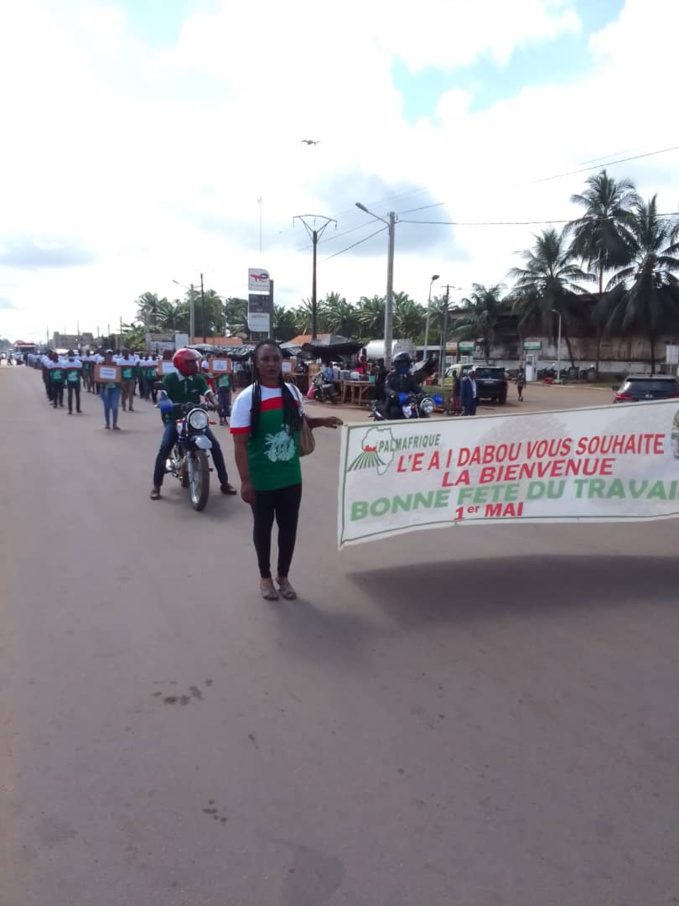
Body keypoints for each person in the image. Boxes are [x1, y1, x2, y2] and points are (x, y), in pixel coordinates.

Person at [230, 340, 342, 601]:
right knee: (263, 529)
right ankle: (265, 577)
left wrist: (322, 421)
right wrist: (246, 481)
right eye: (265, 359)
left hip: (291, 476)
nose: (271, 364)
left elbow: (300, 423)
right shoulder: (246, 399)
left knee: (289, 529)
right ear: (256, 363)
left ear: (282, 362)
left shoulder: (292, 392)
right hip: (261, 479)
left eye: (276, 359)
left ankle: (283, 576)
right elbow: (239, 445)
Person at [150, 348, 237, 501]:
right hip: (175, 419)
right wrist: (164, 402)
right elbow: (162, 395)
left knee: (215, 446)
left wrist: (216, 403)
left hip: (195, 420)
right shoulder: (169, 379)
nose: (194, 365)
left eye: (194, 362)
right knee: (165, 446)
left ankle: (224, 482)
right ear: (180, 363)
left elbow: (208, 392)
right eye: (190, 363)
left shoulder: (198, 379)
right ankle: (156, 486)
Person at [384, 352, 420, 419]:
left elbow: (416, 387)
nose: (405, 366)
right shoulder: (391, 376)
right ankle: (386, 419)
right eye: (403, 364)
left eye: (407, 363)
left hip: (407, 401)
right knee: (394, 411)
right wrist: (392, 393)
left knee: (420, 410)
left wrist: (424, 394)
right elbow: (387, 387)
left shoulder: (409, 377)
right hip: (394, 401)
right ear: (397, 364)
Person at [96, 349, 122, 429]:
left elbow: (119, 378)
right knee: (107, 407)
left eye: (110, 356)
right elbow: (97, 379)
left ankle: (114, 424)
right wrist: (104, 381)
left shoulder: (116, 365)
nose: (109, 357)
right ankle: (107, 423)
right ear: (105, 357)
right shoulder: (101, 366)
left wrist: (121, 388)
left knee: (114, 407)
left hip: (115, 389)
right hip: (105, 389)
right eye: (108, 356)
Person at [116, 348, 139, 412]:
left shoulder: (132, 361)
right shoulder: (120, 361)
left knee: (131, 392)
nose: (124, 353)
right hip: (123, 379)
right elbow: (118, 371)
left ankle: (130, 406)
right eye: (123, 352)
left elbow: (134, 370)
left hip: (131, 379)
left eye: (125, 352)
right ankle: (124, 406)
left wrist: (135, 378)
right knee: (124, 393)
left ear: (128, 353)